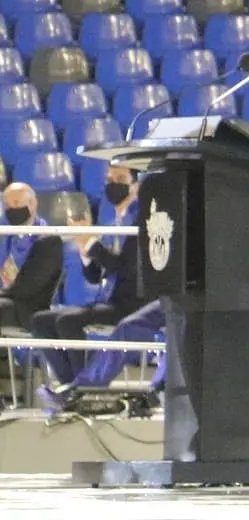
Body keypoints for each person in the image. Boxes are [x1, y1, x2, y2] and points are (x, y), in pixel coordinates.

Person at [32, 165, 144, 388]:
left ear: (135, 186)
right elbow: (95, 277)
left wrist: (91, 243)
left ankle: (88, 387)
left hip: (131, 305)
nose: (112, 183)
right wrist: (85, 251)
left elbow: (124, 268)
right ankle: (72, 386)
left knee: (67, 321)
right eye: (108, 178)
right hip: (107, 302)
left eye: (120, 178)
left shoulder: (140, 223)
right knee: (39, 321)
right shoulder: (114, 224)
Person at [0, 181, 60, 329]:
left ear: (33, 203)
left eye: (16, 203)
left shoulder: (49, 240)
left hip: (28, 308)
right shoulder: (5, 236)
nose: (11, 209)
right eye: (7, 205)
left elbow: (27, 289)